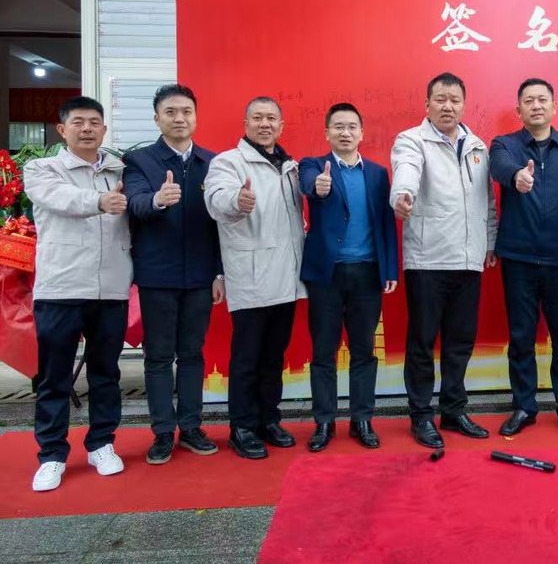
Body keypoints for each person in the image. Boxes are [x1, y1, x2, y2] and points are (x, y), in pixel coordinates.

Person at [24, 96, 132, 492]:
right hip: (61, 287)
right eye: (78, 122)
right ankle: (51, 454)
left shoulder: (120, 170)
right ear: (62, 129)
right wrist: (99, 201)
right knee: (55, 377)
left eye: (94, 122)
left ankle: (101, 444)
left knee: (106, 373)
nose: (87, 129)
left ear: (104, 129)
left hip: (111, 289)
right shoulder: (42, 169)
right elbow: (59, 199)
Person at [390, 72, 497, 448]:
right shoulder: (411, 140)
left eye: (454, 100)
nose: (447, 106)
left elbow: (487, 200)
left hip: (468, 259)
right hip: (428, 259)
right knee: (422, 341)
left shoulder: (478, 146)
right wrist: (402, 196)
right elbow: (406, 171)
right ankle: (421, 415)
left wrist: (489, 242)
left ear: (464, 105)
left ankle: (453, 409)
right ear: (427, 104)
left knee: (460, 340)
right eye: (440, 99)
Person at [489, 78, 558, 439]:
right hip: (518, 259)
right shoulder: (505, 145)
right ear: (518, 110)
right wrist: (516, 176)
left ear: (554, 107)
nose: (536, 106)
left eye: (542, 100)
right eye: (529, 101)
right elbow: (498, 167)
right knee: (521, 337)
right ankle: (524, 406)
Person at [123, 85, 224, 465]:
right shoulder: (139, 161)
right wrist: (156, 200)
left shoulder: (213, 162)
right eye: (170, 112)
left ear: (196, 117)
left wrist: (219, 273)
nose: (179, 118)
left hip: (200, 275)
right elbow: (134, 203)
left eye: (186, 112)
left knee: (193, 354)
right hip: (157, 276)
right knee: (159, 357)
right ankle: (163, 431)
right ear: (157, 119)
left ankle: (192, 426)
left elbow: (220, 224)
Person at [204, 96, 306, 459]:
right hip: (250, 277)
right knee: (247, 357)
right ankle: (242, 427)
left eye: (272, 119)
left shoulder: (290, 167)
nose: (265, 124)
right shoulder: (228, 162)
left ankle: (268, 419)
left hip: (287, 277)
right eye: (258, 118)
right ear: (246, 124)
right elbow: (216, 199)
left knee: (274, 356)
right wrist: (236, 201)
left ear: (281, 125)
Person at [299, 103, 399, 452]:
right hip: (326, 275)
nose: (345, 132)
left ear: (361, 133)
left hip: (367, 273)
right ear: (327, 133)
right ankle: (324, 422)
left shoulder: (377, 174)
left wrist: (389, 268)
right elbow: (308, 184)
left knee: (364, 351)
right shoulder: (313, 166)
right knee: (323, 352)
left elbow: (386, 222)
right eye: (338, 126)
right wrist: (319, 186)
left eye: (352, 126)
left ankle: (362, 419)